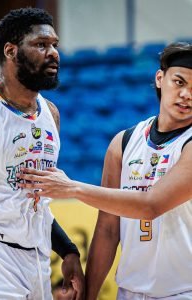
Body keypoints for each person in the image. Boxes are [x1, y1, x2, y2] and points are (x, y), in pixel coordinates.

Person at [18, 42, 192, 299]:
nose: (187, 94)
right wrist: (88, 295)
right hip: (129, 291)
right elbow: (108, 229)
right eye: (179, 82)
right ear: (159, 78)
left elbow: (151, 205)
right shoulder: (123, 143)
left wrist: (73, 187)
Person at [0, 7, 84, 300]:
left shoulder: (51, 114)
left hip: (37, 258)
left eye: (54, 45)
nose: (53, 53)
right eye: (41, 45)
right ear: (10, 51)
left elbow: (35, 200)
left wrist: (68, 249)